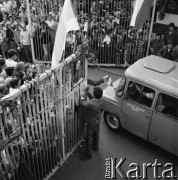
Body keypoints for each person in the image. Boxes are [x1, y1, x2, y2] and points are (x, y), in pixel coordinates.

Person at [80, 87, 103, 160]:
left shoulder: (91, 104)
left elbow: (82, 103)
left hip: (92, 123)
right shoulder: (101, 101)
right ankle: (95, 147)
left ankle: (88, 153)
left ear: (94, 94)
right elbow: (93, 98)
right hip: (98, 121)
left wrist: (81, 96)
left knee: (89, 137)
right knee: (96, 134)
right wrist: (88, 92)